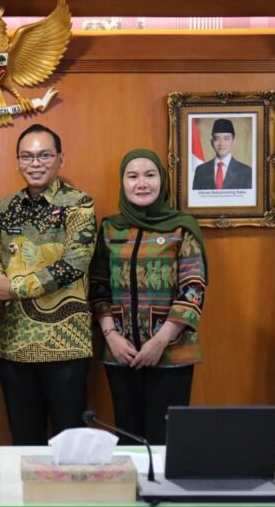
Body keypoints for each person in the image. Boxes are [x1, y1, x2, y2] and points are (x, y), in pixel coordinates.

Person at [0, 124, 96, 445]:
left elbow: (74, 263)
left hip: (66, 346)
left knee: (69, 448)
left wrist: (11, 289)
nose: (35, 163)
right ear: (17, 161)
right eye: (27, 156)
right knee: (24, 443)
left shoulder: (79, 204)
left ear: (60, 159)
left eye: (44, 155)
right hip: (15, 346)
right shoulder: (5, 207)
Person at [90, 149, 207, 445]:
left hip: (171, 354)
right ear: (123, 183)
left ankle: (162, 494)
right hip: (121, 354)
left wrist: (160, 341)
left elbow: (193, 288)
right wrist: (111, 336)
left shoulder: (181, 227)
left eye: (149, 175)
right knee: (129, 441)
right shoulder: (110, 228)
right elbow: (98, 286)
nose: (141, 183)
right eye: (133, 176)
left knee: (165, 441)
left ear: (162, 180)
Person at [192, 118, 252, 190]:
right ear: (212, 142)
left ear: (233, 142)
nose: (221, 143)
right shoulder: (200, 170)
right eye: (217, 139)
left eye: (226, 138)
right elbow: (196, 199)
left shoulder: (246, 172)